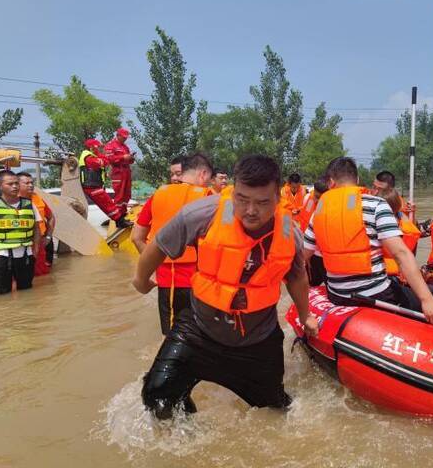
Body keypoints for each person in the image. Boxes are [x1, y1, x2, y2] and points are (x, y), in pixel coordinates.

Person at [133, 154, 318, 419]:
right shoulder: (203, 213)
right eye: (242, 199)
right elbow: (159, 245)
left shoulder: (290, 232)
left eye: (262, 202)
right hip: (198, 331)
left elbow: (297, 277)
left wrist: (305, 315)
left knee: (277, 411)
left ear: (278, 198)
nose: (251, 210)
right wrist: (140, 280)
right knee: (157, 398)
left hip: (258, 341)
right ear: (233, 191)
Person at [304, 157, 433, 325]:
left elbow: (302, 258)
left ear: (330, 182)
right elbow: (401, 253)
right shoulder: (376, 204)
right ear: (357, 180)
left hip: (337, 294)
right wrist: (427, 299)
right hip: (376, 293)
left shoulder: (318, 211)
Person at [131, 154, 213, 335]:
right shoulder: (209, 197)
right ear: (204, 174)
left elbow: (136, 237)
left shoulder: (158, 195)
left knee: (170, 337)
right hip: (200, 281)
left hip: (168, 281)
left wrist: (154, 263)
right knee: (202, 337)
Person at [0, 170, 41, 294]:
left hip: (26, 256)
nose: (15, 186)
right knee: (2, 294)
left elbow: (37, 229)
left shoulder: (29, 205)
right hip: (1, 257)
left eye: (16, 183)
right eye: (10, 184)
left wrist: (35, 250)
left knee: (27, 293)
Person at [79, 139, 132, 228]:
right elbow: (104, 162)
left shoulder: (91, 156)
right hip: (91, 186)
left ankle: (120, 220)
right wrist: (102, 155)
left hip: (94, 185)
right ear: (92, 148)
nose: (100, 149)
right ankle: (119, 221)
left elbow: (105, 162)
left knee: (108, 203)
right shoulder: (88, 157)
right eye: (98, 147)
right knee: (107, 204)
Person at [17, 172, 55, 275]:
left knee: (42, 274)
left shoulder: (38, 198)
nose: (31, 185)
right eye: (27, 183)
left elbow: (51, 217)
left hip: (41, 243)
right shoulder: (12, 201)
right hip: (21, 245)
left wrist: (48, 237)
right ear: (17, 184)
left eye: (32, 182)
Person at [301, 177, 328, 286]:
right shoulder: (308, 198)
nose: (316, 200)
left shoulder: (331, 207)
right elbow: (304, 221)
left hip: (326, 256)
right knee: (311, 285)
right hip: (311, 253)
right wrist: (306, 251)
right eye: (315, 196)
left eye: (319, 198)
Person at [104, 127, 134, 217]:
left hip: (127, 171)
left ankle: (124, 213)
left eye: (126, 137)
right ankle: (118, 216)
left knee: (127, 194)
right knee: (119, 195)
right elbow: (109, 159)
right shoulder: (111, 145)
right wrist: (122, 157)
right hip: (118, 172)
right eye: (123, 137)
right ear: (118, 135)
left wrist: (131, 158)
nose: (125, 139)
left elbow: (129, 161)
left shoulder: (125, 147)